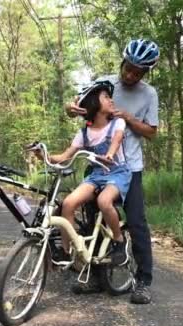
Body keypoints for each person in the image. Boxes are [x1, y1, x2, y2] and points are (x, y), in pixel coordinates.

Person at [65, 39, 160, 304]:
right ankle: (96, 276)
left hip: (130, 167)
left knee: (138, 222)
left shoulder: (149, 94)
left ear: (145, 73)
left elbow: (152, 132)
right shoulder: (105, 84)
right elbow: (78, 108)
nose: (130, 75)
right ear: (122, 63)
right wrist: (70, 109)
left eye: (137, 72)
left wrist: (128, 117)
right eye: (128, 68)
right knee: (93, 217)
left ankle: (143, 281)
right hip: (98, 166)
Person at [45, 80, 132, 266]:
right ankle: (68, 251)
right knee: (68, 203)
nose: (111, 100)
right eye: (106, 97)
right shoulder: (84, 133)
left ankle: (119, 241)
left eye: (110, 97)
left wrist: (109, 154)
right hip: (96, 175)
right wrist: (43, 155)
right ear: (94, 103)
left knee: (104, 201)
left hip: (117, 172)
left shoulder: (118, 123)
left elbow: (116, 141)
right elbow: (64, 157)